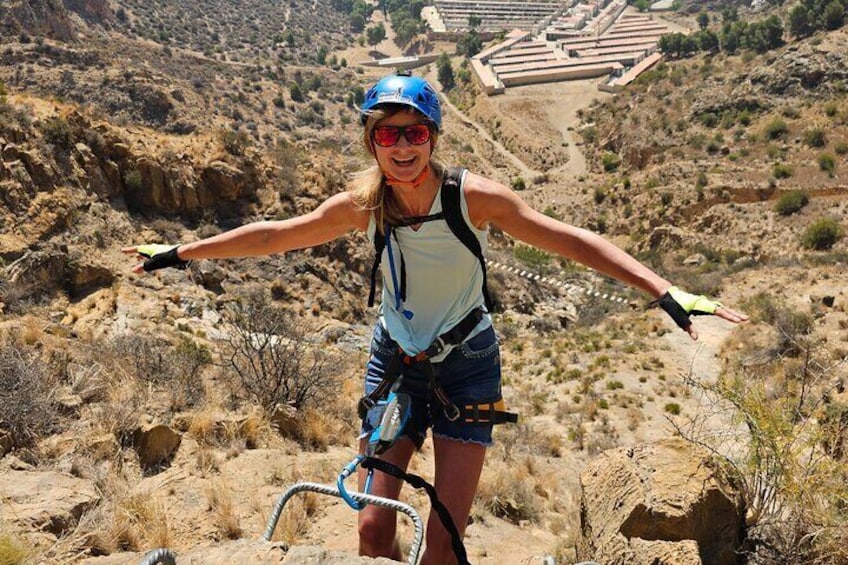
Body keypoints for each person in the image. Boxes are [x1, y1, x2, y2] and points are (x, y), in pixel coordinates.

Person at [124, 73, 747, 564]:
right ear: (371, 141)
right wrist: (180, 252)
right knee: (372, 527)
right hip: (393, 360)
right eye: (387, 134)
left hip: (467, 366)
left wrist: (662, 288)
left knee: (443, 542)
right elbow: (275, 237)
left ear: (434, 138)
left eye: (414, 134)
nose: (400, 146)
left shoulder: (471, 199)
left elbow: (569, 239)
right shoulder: (365, 205)